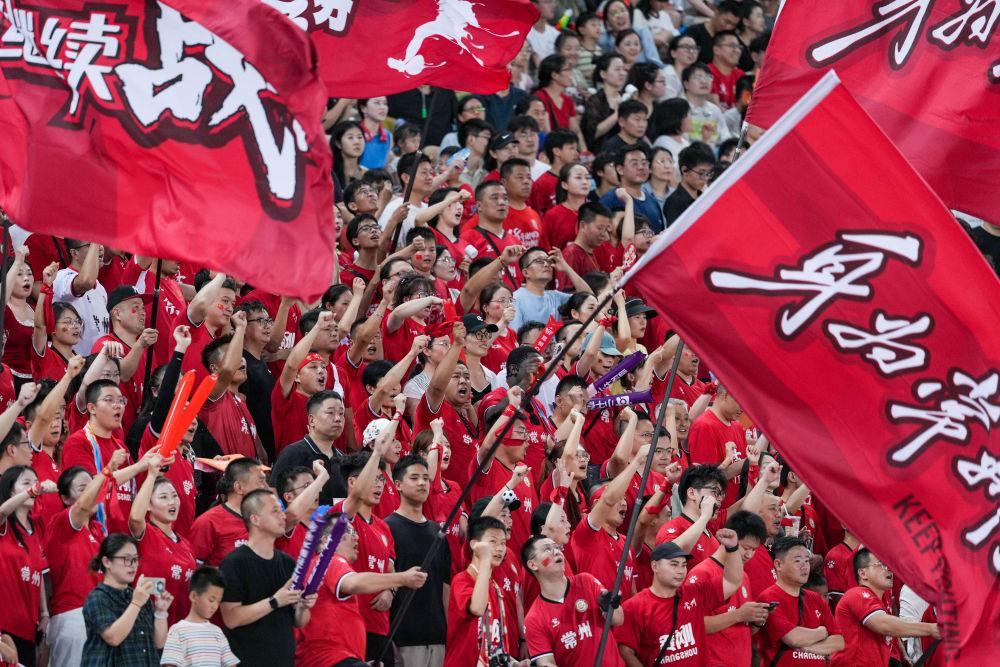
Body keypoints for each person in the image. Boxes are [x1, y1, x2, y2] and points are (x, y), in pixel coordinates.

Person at [296, 511, 428, 667]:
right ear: (326, 541)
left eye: (355, 532)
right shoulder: (328, 560)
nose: (356, 537)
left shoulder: (317, 566)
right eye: (349, 531)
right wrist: (403, 578)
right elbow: (353, 583)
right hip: (329, 658)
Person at [617, 528, 746, 667]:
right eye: (674, 564)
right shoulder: (634, 607)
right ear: (655, 566)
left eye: (684, 565)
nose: (680, 571)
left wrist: (732, 549)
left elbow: (732, 581)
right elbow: (624, 650)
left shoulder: (695, 593)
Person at [219, 489, 318, 667]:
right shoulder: (234, 563)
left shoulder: (288, 563)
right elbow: (231, 618)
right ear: (255, 519)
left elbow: (299, 621)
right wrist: (274, 601)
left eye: (281, 510)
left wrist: (303, 607)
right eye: (275, 511)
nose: (283, 516)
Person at [386, 455, 451, 666]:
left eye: (425, 478)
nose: (422, 483)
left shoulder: (437, 532)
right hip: (402, 637)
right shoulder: (387, 528)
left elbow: (445, 586)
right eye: (414, 478)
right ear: (398, 485)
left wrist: (447, 630)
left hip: (437, 636)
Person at [521, 535, 625, 666]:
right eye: (547, 549)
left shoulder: (586, 581)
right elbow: (546, 662)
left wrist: (611, 606)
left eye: (557, 547)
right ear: (532, 564)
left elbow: (618, 620)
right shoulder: (534, 619)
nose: (556, 551)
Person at [832, 548, 939, 667]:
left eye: (888, 564)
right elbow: (884, 624)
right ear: (863, 574)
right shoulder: (856, 594)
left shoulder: (879, 604)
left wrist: (903, 655)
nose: (888, 569)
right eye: (881, 564)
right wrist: (931, 628)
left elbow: (890, 628)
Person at [694, 511, 772, 667]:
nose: (749, 555)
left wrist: (756, 621)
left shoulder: (743, 576)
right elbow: (692, 626)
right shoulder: (703, 573)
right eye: (745, 547)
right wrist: (738, 615)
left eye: (754, 549)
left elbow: (741, 630)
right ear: (730, 538)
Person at [81, 533, 173, 666]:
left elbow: (159, 643)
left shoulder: (139, 595)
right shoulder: (97, 597)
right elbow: (113, 637)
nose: (133, 565)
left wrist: (161, 612)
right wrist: (136, 603)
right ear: (107, 562)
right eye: (127, 559)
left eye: (136, 559)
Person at [128, 453, 197, 627]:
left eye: (174, 496)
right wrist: (152, 475)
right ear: (148, 505)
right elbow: (135, 518)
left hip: (182, 628)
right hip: (150, 625)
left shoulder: (186, 544)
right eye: (163, 497)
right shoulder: (147, 534)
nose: (172, 502)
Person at [443, 516, 521, 667]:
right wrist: (485, 560)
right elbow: (477, 608)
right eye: (493, 541)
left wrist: (513, 663)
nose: (500, 548)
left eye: (503, 543)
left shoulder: (495, 587)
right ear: (475, 545)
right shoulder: (462, 580)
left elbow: (495, 642)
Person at [757, 537, 845, 665]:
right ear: (778, 564)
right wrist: (821, 632)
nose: (804, 566)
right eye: (797, 561)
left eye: (807, 561)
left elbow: (839, 641)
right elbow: (793, 638)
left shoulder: (816, 598)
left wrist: (809, 648)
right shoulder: (769, 597)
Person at [0, 465, 53, 666]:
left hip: (28, 628)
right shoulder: (4, 524)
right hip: (4, 629)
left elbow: (36, 573)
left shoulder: (36, 528)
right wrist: (33, 490)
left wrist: (44, 613)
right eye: (26, 483)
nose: (34, 487)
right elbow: (2, 510)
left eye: (36, 482)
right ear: (10, 491)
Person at [269, 390, 349, 504]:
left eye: (341, 413)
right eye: (330, 412)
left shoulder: (344, 460)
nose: (338, 418)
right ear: (311, 420)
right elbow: (274, 493)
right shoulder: (292, 453)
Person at [189, 457, 268, 567]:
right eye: (261, 481)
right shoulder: (208, 523)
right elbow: (193, 569)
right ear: (239, 487)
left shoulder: (266, 518)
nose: (266, 487)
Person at [160, 566, 239, 667]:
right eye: (211, 600)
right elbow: (170, 664)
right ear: (194, 596)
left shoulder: (217, 632)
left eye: (218, 601)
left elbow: (230, 664)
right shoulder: (177, 631)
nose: (215, 606)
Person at [654, 464, 725, 562]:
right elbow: (667, 559)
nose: (720, 498)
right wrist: (704, 517)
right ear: (692, 493)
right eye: (715, 492)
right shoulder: (673, 527)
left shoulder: (713, 540)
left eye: (721, 494)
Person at [512, 247, 591, 331]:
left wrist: (566, 268)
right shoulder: (515, 298)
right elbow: (515, 334)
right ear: (525, 272)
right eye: (539, 261)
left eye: (549, 261)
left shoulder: (556, 296)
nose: (546, 264)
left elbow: (589, 298)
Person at [52, 239, 107, 355]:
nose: (100, 248)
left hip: (98, 362)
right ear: (74, 253)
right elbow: (86, 282)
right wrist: (97, 239)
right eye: (91, 245)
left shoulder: (101, 289)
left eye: (100, 243)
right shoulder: (62, 277)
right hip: (72, 361)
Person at [600, 144, 667, 233]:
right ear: (620, 169)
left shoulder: (653, 201)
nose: (641, 167)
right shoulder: (610, 200)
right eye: (634, 163)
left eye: (644, 163)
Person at [663, 142, 717, 227]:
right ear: (685, 170)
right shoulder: (674, 202)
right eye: (701, 173)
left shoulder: (704, 198)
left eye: (709, 173)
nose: (705, 178)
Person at [682, 63, 731, 145]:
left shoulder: (715, 110)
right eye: (698, 77)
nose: (704, 81)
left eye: (708, 77)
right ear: (686, 84)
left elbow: (726, 138)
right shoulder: (678, 108)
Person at [500, 158, 544, 249]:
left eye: (529, 177)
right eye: (520, 177)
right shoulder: (495, 214)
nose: (526, 181)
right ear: (504, 183)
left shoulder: (534, 214)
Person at [708, 31, 746, 109]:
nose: (737, 51)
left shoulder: (741, 75)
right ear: (716, 50)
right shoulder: (706, 72)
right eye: (732, 46)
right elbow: (716, 110)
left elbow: (747, 105)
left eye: (739, 47)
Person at [358, 97, 391, 170]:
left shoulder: (388, 135)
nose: (383, 107)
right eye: (377, 103)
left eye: (385, 103)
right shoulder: (355, 133)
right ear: (363, 108)